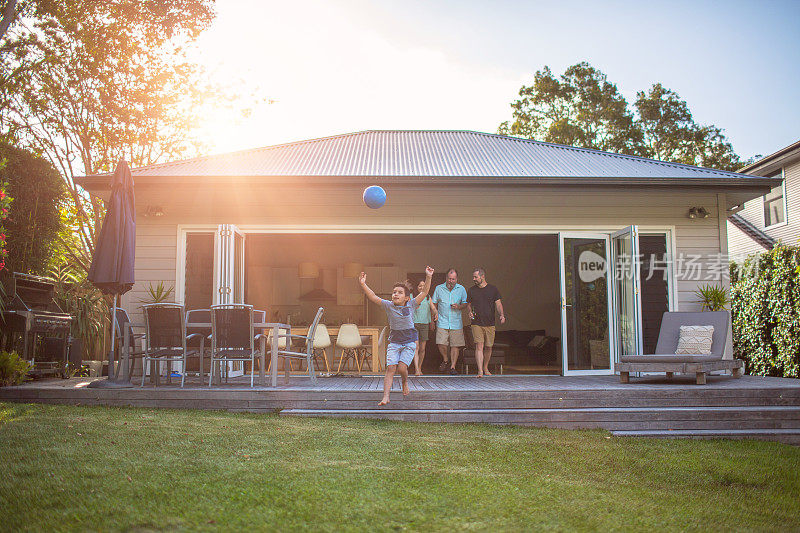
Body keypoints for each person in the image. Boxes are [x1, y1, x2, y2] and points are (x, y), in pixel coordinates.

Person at [360, 266, 434, 406]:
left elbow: (424, 292)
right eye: (394, 292)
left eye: (400, 293)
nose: (395, 294)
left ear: (407, 297)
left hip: (409, 342)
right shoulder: (388, 305)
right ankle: (386, 396)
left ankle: (405, 381)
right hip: (394, 342)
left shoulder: (412, 304)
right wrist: (363, 284)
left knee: (401, 369)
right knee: (390, 368)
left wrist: (428, 276)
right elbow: (373, 296)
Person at [467, 267, 505, 377]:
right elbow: (469, 305)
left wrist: (502, 315)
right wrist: (469, 312)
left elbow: (498, 304)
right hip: (476, 323)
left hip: (490, 323)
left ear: (482, 276)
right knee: (479, 346)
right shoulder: (471, 290)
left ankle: (485, 367)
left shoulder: (493, 289)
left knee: (489, 347)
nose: (474, 279)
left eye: (476, 277)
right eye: (473, 277)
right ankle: (479, 371)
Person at [431, 268, 468, 375]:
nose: (451, 281)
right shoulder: (439, 288)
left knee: (455, 345)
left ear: (457, 279)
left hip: (456, 322)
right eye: (449, 278)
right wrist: (432, 320)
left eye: (453, 279)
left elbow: (465, 304)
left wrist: (459, 306)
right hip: (442, 321)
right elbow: (433, 304)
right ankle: (446, 359)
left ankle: (452, 367)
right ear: (446, 278)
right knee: (441, 343)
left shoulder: (461, 289)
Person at [412, 279, 437, 376]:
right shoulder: (412, 297)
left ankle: (420, 367)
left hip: (424, 324)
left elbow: (433, 308)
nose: (422, 288)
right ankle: (417, 369)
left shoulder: (427, 297)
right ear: (416, 287)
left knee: (422, 348)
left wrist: (436, 313)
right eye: (419, 286)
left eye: (423, 285)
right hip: (414, 324)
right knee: (416, 347)